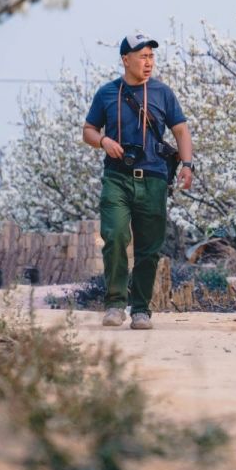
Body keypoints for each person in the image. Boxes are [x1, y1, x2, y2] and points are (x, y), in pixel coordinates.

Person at [82, 33, 194, 330]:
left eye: (151, 56)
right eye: (142, 56)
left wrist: (188, 165)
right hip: (117, 177)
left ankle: (141, 308)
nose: (148, 62)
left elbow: (181, 131)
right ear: (125, 60)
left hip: (154, 178)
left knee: (149, 247)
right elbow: (88, 130)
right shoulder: (107, 93)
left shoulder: (163, 93)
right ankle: (115, 304)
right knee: (115, 235)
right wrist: (103, 141)